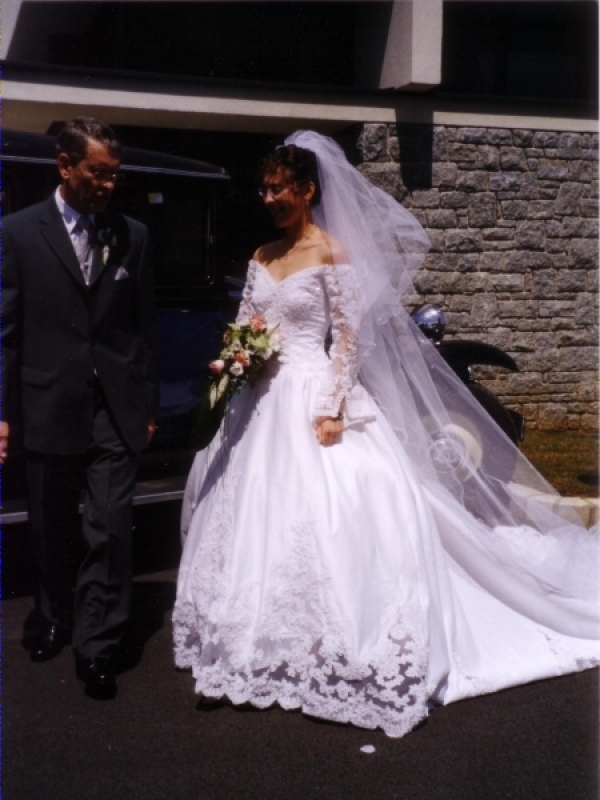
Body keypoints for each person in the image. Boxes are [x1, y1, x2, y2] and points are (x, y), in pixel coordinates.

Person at [173, 131, 599, 737]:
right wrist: (237, 357)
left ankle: (321, 639)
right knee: (247, 516)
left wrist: (331, 407)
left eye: (278, 188)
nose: (268, 198)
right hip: (259, 398)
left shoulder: (331, 254)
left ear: (307, 190)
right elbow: (249, 321)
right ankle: (245, 644)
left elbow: (345, 339)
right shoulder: (262, 256)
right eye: (263, 189)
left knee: (323, 516)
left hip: (311, 392)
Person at [2, 117, 160, 698]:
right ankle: (52, 616)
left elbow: (143, 330)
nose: (109, 185)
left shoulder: (133, 235)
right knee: (50, 525)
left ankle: (98, 645)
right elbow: (6, 332)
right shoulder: (17, 233)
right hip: (47, 401)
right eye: (98, 172)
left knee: (111, 526)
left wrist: (145, 401)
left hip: (114, 407)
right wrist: (2, 410)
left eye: (115, 174)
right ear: (65, 167)